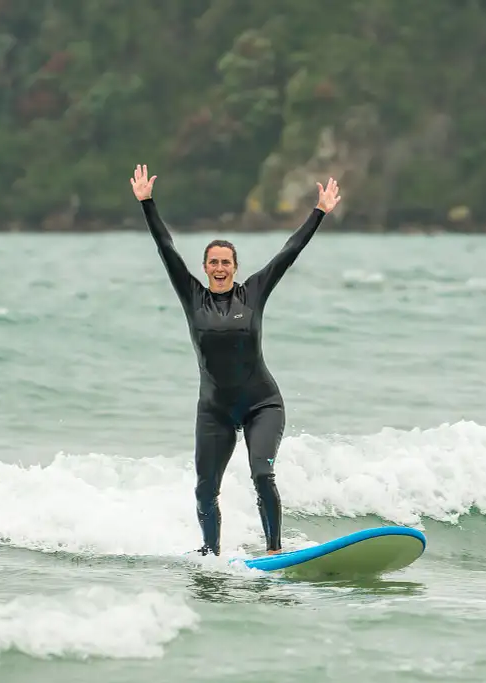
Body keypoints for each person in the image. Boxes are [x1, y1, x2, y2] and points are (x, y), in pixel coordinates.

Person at [130, 164, 341, 557]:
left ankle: (276, 553)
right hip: (215, 410)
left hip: (262, 403)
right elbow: (166, 248)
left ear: (236, 267)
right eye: (214, 262)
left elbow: (288, 253)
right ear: (206, 268)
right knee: (205, 487)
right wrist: (147, 203)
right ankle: (210, 555)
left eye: (227, 262)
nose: (221, 268)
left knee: (262, 474)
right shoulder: (192, 296)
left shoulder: (254, 293)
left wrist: (319, 212)